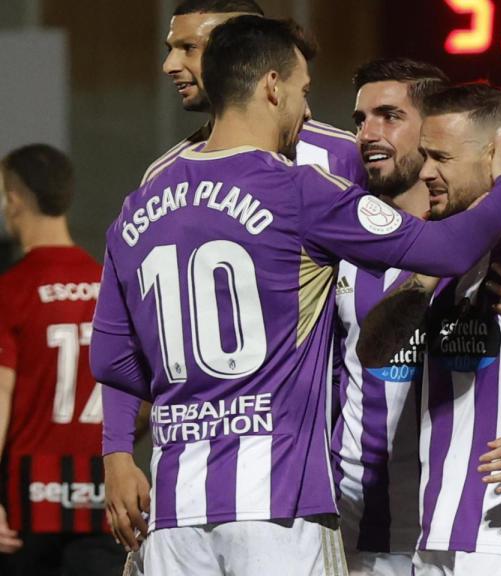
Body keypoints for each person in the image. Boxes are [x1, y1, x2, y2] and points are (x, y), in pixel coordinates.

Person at [90, 16, 501, 576]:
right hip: (277, 503)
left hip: (176, 510)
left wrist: (131, 439)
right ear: (272, 87)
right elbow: (446, 250)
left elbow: (113, 360)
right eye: (303, 91)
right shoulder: (299, 190)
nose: (306, 109)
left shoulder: (137, 208)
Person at [101, 0, 370, 554]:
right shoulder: (162, 177)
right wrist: (118, 451)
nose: (170, 64)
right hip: (222, 481)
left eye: (188, 48)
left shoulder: (343, 157)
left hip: (341, 461)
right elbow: (128, 333)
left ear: (240, 47)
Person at [356, 82, 501, 576]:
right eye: (424, 156)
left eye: (441, 158)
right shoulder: (442, 255)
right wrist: (442, 257)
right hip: (434, 533)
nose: (425, 172)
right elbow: (376, 350)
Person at [336, 57, 448, 576]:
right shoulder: (337, 243)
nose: (368, 134)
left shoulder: (485, 243)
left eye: (389, 116)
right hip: (349, 530)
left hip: (453, 535)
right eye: (361, 120)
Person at [0, 144, 123, 575]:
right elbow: (141, 395)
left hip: (26, 510)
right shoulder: (109, 285)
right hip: (102, 502)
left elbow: (1, 394)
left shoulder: (12, 291)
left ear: (14, 199)